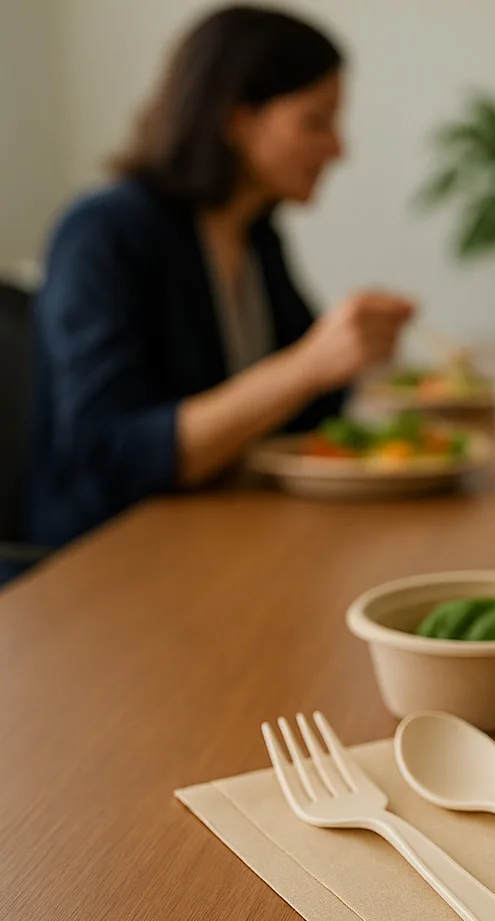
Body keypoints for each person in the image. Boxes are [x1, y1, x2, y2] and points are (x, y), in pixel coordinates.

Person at [24, 5, 413, 552]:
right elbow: (111, 457)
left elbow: (305, 415)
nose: (338, 148)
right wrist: (309, 365)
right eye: (315, 121)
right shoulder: (103, 233)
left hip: (218, 534)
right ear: (236, 119)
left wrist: (349, 357)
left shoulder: (255, 234)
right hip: (105, 562)